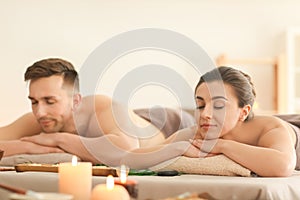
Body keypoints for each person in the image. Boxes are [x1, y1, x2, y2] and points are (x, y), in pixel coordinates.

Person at [0, 58, 194, 166]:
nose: (40, 111)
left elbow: (124, 149)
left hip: (171, 122)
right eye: (33, 102)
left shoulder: (100, 108)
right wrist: (30, 147)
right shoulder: (43, 118)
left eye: (50, 101)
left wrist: (57, 139)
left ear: (75, 101)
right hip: (129, 120)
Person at [121, 66, 300, 177]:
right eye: (200, 105)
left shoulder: (271, 128)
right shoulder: (198, 132)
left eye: (219, 106)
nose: (205, 114)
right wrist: (178, 147)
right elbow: (131, 159)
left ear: (243, 112)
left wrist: (221, 146)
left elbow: (282, 166)